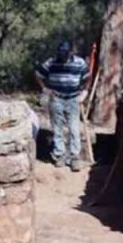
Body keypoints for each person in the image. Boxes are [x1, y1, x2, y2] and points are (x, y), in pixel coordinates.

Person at [36, 40, 90, 171]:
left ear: (71, 52)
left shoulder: (79, 63)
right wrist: (45, 89)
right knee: (57, 128)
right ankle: (59, 155)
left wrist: (84, 92)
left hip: (73, 99)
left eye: (66, 53)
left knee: (74, 128)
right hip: (56, 99)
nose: (63, 55)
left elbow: (88, 77)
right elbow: (38, 74)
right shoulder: (51, 62)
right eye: (61, 53)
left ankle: (74, 157)